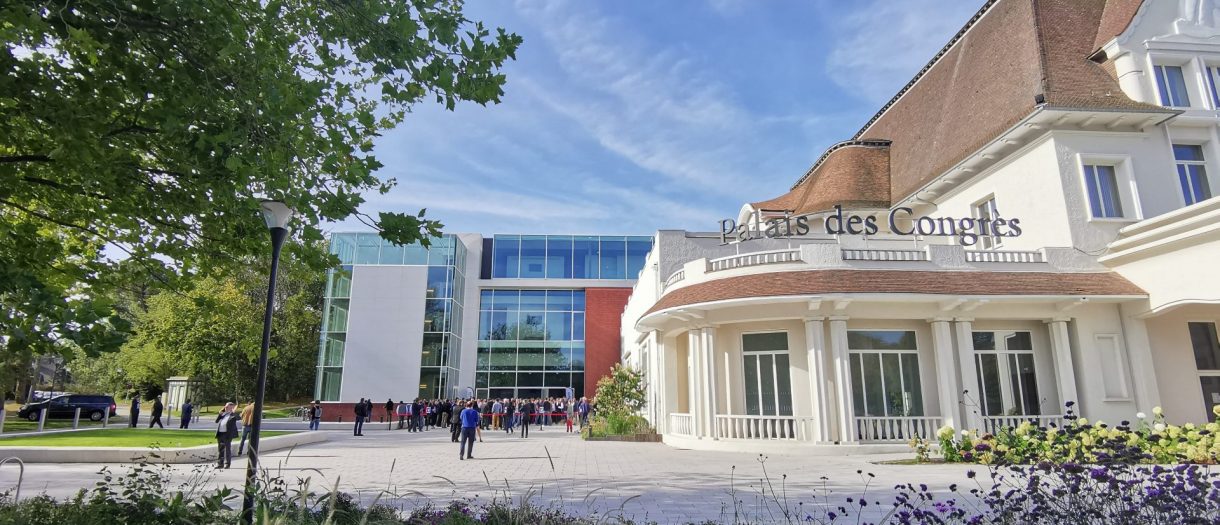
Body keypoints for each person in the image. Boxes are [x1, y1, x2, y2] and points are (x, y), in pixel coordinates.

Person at [215, 402, 239, 469]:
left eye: (227, 406)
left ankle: (227, 464)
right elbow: (216, 421)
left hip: (227, 435)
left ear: (231, 407)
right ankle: (220, 464)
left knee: (227, 449)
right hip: (220, 434)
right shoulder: (223, 415)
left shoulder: (232, 415)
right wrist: (219, 414)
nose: (225, 407)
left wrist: (233, 412)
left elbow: (238, 418)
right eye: (225, 406)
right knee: (220, 450)